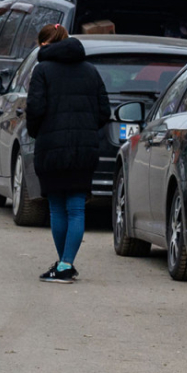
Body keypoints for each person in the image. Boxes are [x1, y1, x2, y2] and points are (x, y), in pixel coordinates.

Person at [26, 24, 110, 283]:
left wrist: (37, 131)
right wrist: (85, 130)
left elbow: (35, 109)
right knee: (76, 207)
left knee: (56, 207)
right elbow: (104, 112)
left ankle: (63, 264)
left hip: (51, 148)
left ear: (46, 44)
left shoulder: (42, 70)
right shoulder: (90, 71)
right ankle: (65, 263)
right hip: (84, 149)